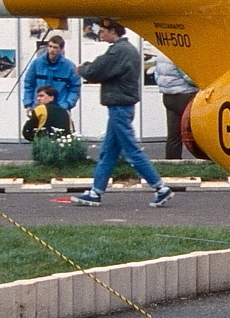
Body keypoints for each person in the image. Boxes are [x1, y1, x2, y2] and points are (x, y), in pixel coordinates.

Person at [72, 20, 173, 207]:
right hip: (121, 107)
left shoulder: (118, 51)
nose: (100, 35)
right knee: (108, 152)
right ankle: (95, 192)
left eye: (103, 31)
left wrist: (82, 69)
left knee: (131, 150)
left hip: (119, 107)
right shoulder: (127, 49)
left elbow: (96, 70)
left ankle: (161, 188)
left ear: (113, 31)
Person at [151, 54, 198, 160]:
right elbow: (189, 78)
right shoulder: (179, 55)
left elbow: (156, 75)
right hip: (185, 96)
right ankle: (207, 160)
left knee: (173, 135)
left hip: (168, 97)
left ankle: (172, 160)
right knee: (198, 130)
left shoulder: (161, 55)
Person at [21, 35, 81, 112]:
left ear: (61, 49)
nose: (51, 50)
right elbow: (29, 84)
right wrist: (28, 103)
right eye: (50, 46)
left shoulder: (69, 66)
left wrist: (67, 104)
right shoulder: (36, 63)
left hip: (60, 108)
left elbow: (75, 87)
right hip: (38, 107)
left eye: (55, 47)